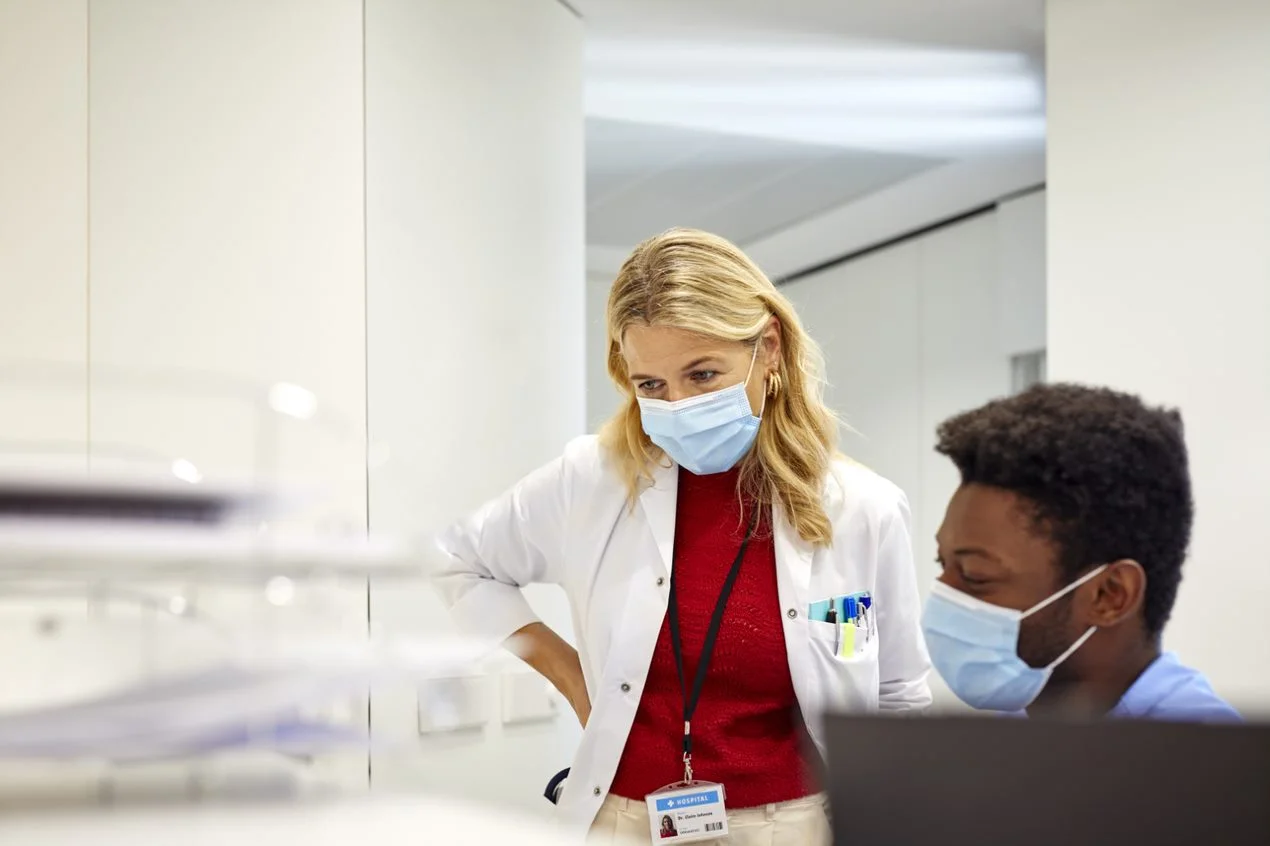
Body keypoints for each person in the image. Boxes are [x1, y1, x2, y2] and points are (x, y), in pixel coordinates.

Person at [433, 228, 931, 844]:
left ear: (767, 348)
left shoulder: (862, 510)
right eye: (651, 386)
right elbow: (456, 560)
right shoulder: (590, 480)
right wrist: (569, 676)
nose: (679, 405)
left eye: (702, 374)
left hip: (793, 826)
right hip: (626, 821)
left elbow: (897, 695)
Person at [922, 383, 1239, 722]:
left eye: (975, 575)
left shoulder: (1208, 762)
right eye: (943, 564)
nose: (943, 595)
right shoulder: (1014, 725)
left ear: (1110, 594)